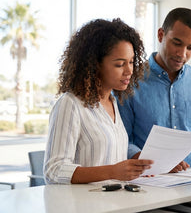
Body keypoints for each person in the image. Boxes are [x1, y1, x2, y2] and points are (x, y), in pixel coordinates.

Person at [118, 7, 191, 172]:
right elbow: (120, 139)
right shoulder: (130, 81)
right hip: (147, 180)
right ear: (161, 35)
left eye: (190, 48)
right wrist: (153, 162)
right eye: (177, 43)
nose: (182, 54)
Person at [44, 18, 154, 184]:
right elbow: (54, 170)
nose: (129, 70)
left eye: (131, 62)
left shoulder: (113, 102)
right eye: (119, 64)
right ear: (95, 65)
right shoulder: (71, 104)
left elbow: (110, 159)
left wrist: (135, 171)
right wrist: (112, 172)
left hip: (116, 204)